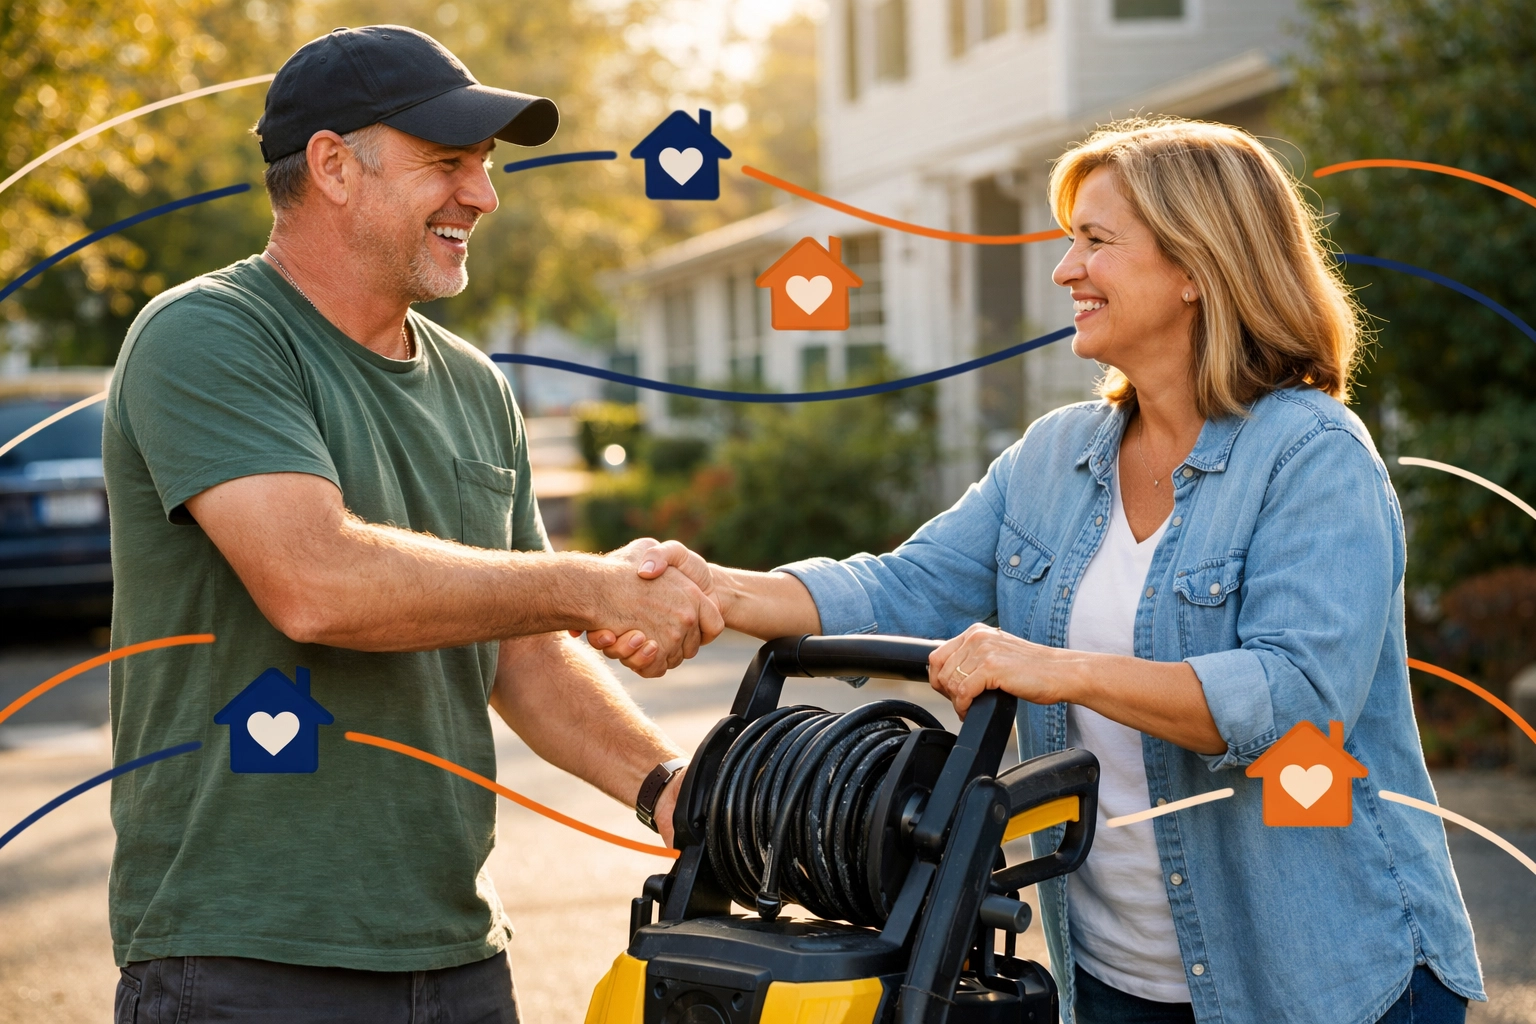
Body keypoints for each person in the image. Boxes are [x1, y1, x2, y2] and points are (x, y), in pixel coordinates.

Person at [600, 119, 1484, 1024]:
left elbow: (1295, 697)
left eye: (1096, 241)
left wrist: (1054, 668)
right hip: (1113, 982)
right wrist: (714, 587)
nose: (1065, 269)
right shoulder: (1055, 457)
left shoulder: (1311, 456)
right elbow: (900, 585)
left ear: (1197, 268)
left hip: (1322, 979)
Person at [104, 26, 711, 1022]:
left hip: (456, 954)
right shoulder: (207, 335)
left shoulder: (475, 386)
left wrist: (672, 791)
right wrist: (585, 583)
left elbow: (525, 654)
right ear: (333, 167)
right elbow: (314, 582)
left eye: (485, 166)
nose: (484, 194)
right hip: (246, 957)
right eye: (447, 163)